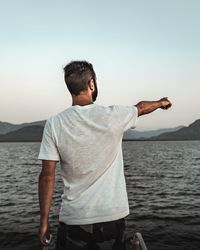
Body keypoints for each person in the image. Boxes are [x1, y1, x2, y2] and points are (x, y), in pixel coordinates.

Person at [38, 60, 172, 250]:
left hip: (74, 219)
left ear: (70, 87)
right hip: (111, 219)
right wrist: (161, 103)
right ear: (91, 83)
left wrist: (43, 221)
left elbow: (47, 176)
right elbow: (141, 107)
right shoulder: (114, 115)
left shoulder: (54, 124)